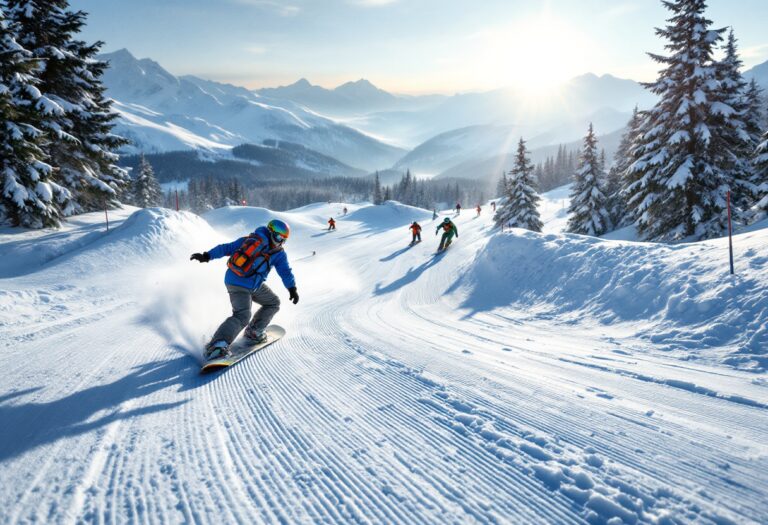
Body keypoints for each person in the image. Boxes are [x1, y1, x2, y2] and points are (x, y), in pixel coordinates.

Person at [190, 219, 299, 360]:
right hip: (237, 283)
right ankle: (216, 345)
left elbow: (285, 271)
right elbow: (227, 248)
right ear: (271, 232)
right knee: (242, 315)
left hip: (254, 284)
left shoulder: (278, 253)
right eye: (279, 237)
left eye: (284, 239)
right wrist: (207, 256)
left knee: (273, 302)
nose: (280, 241)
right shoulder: (252, 241)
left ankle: (254, 331)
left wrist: (292, 288)